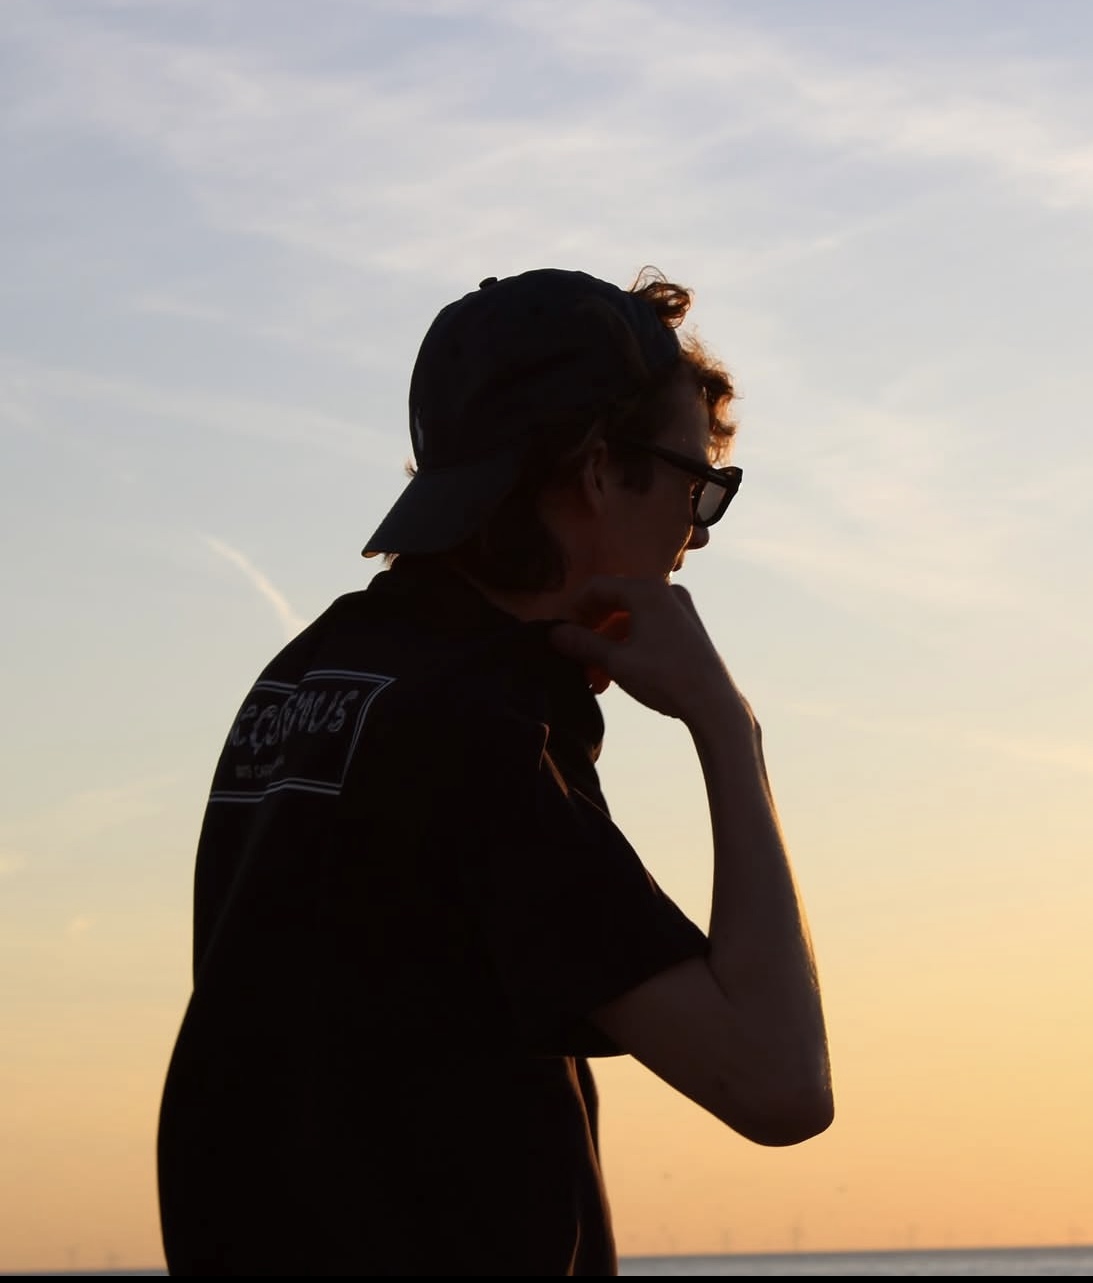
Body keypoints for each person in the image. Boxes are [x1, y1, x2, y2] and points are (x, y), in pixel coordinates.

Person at [156, 267, 832, 1276]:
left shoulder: (305, 681)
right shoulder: (478, 735)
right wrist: (728, 730)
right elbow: (778, 1083)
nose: (695, 532)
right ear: (598, 472)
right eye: (694, 485)